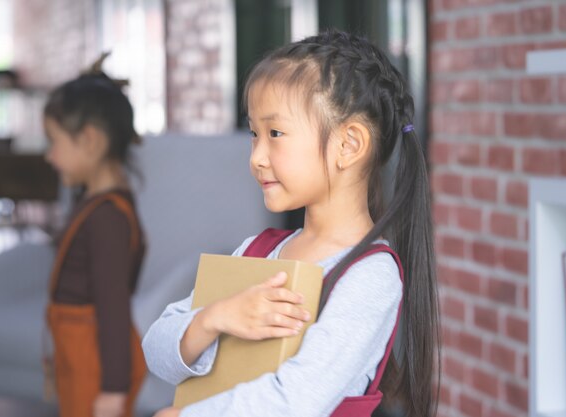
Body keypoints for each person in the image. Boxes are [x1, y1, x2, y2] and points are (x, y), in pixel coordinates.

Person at [143, 30, 439, 417]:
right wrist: (215, 318)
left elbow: (296, 401)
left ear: (349, 145)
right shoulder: (257, 250)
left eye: (275, 133)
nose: (257, 157)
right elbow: (155, 349)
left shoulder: (371, 275)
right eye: (254, 134)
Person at [43, 59, 147, 417]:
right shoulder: (96, 204)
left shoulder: (108, 218)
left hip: (98, 367)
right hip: (80, 354)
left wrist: (114, 391)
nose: (50, 156)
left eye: (54, 142)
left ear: (90, 141)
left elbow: (113, 305)